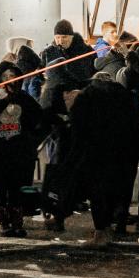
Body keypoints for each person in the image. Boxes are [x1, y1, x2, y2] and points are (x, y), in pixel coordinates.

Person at [64, 69, 139, 248]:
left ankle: (101, 233)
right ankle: (113, 227)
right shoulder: (127, 96)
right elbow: (136, 123)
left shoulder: (87, 95)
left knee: (97, 193)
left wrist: (74, 155)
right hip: (123, 153)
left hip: (95, 153)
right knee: (116, 191)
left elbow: (77, 128)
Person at [0, 55, 46, 237]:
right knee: (1, 189)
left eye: (12, 75)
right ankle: (3, 221)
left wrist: (31, 141)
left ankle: (17, 220)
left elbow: (40, 119)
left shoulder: (24, 98)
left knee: (17, 188)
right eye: (5, 75)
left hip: (19, 153)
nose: (9, 79)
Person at [37, 20, 94, 227]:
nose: (60, 41)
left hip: (76, 112)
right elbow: (46, 77)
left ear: (71, 37)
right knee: (56, 160)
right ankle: (55, 206)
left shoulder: (84, 52)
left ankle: (67, 202)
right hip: (55, 113)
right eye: (58, 37)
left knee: (72, 161)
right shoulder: (49, 52)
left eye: (64, 37)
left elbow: (85, 76)